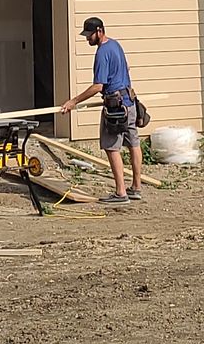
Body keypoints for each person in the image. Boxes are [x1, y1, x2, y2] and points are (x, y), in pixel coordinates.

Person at [62, 15, 145, 204]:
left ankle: (121, 193)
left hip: (116, 108)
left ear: (99, 31)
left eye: (89, 35)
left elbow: (98, 86)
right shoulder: (116, 45)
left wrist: (73, 101)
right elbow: (125, 68)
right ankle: (136, 187)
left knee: (111, 147)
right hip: (130, 102)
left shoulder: (102, 53)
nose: (87, 39)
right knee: (133, 144)